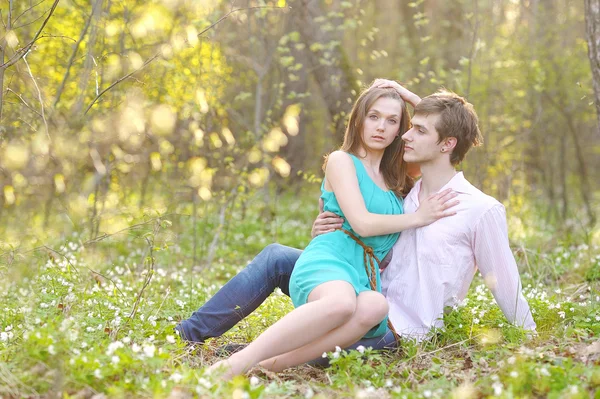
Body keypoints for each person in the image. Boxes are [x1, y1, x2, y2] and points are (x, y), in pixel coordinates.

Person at [176, 80, 536, 371]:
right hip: (359, 282)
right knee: (277, 257)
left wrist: (532, 340)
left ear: (446, 143)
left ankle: (252, 356)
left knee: (339, 322)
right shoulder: (409, 193)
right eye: (381, 119)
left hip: (395, 325)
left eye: (408, 126)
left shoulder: (477, 209)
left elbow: (505, 282)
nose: (403, 133)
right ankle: (186, 337)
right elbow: (364, 221)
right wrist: (328, 228)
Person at [205, 85, 458, 379]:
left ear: (402, 129)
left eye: (392, 121)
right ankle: (237, 362)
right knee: (341, 302)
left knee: (376, 305)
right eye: (373, 116)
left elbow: (445, 145)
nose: (381, 127)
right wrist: (418, 217)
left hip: (363, 275)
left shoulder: (398, 175)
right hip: (329, 260)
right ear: (358, 120)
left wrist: (409, 98)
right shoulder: (342, 160)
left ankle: (269, 365)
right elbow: (362, 223)